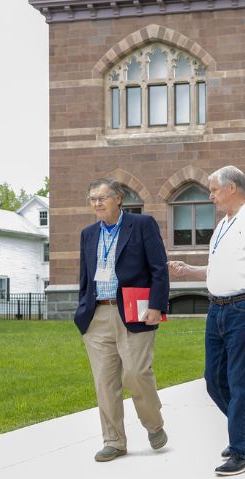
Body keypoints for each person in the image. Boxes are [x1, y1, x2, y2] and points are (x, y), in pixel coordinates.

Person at [167, 165, 245, 476]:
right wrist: (188, 269)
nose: (210, 195)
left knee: (241, 381)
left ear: (232, 188)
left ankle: (243, 452)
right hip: (217, 309)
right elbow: (214, 268)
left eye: (214, 189)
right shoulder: (222, 226)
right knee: (213, 380)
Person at [75, 178, 169, 462]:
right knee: (105, 382)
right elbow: (84, 277)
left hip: (133, 312)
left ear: (118, 199)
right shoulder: (88, 234)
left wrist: (156, 305)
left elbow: (159, 269)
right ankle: (114, 441)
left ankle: (154, 424)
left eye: (102, 198)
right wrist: (83, 310)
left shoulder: (142, 225)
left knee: (136, 373)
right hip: (97, 315)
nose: (97, 203)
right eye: (92, 199)